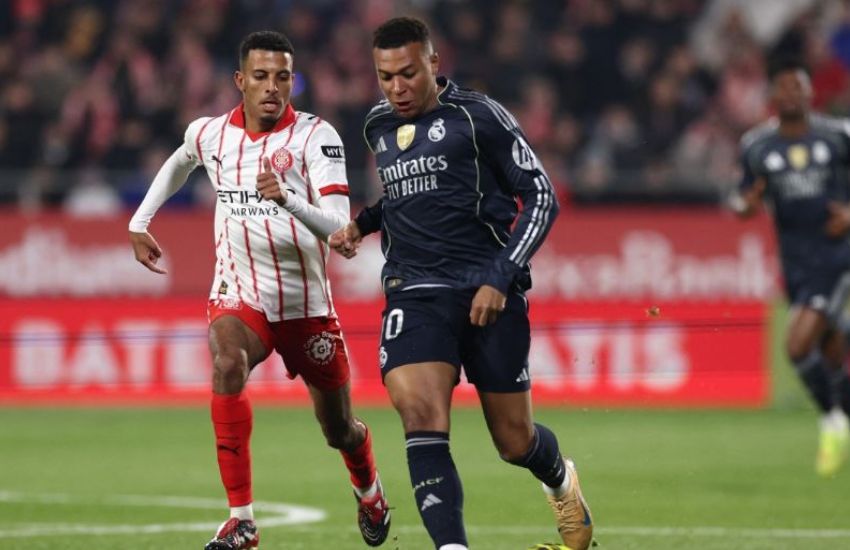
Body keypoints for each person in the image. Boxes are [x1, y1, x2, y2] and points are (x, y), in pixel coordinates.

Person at [331, 17, 593, 550]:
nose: (397, 88)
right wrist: (363, 222)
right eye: (385, 77)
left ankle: (560, 479)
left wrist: (501, 275)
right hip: (414, 290)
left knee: (514, 441)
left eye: (408, 73)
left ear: (433, 62)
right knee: (419, 413)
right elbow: (404, 195)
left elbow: (541, 196)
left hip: (486, 291)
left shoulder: (480, 117)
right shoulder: (377, 124)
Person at [128, 31, 391, 549]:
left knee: (339, 429)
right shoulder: (210, 133)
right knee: (226, 363)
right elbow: (181, 159)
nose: (273, 87)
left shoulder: (317, 138)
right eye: (262, 76)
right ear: (240, 80)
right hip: (240, 295)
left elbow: (340, 228)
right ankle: (242, 521)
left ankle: (369, 489)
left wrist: (288, 199)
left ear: (292, 81)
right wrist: (140, 220)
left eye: (283, 77)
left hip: (305, 307)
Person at [732, 58, 850, 477]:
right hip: (795, 261)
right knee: (831, 350)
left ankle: (832, 422)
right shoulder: (757, 145)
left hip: (838, 256)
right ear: (773, 97)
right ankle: (843, 410)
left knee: (797, 347)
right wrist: (746, 205)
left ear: (810, 93)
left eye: (798, 87)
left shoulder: (839, 135)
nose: (791, 95)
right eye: (783, 88)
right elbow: (739, 199)